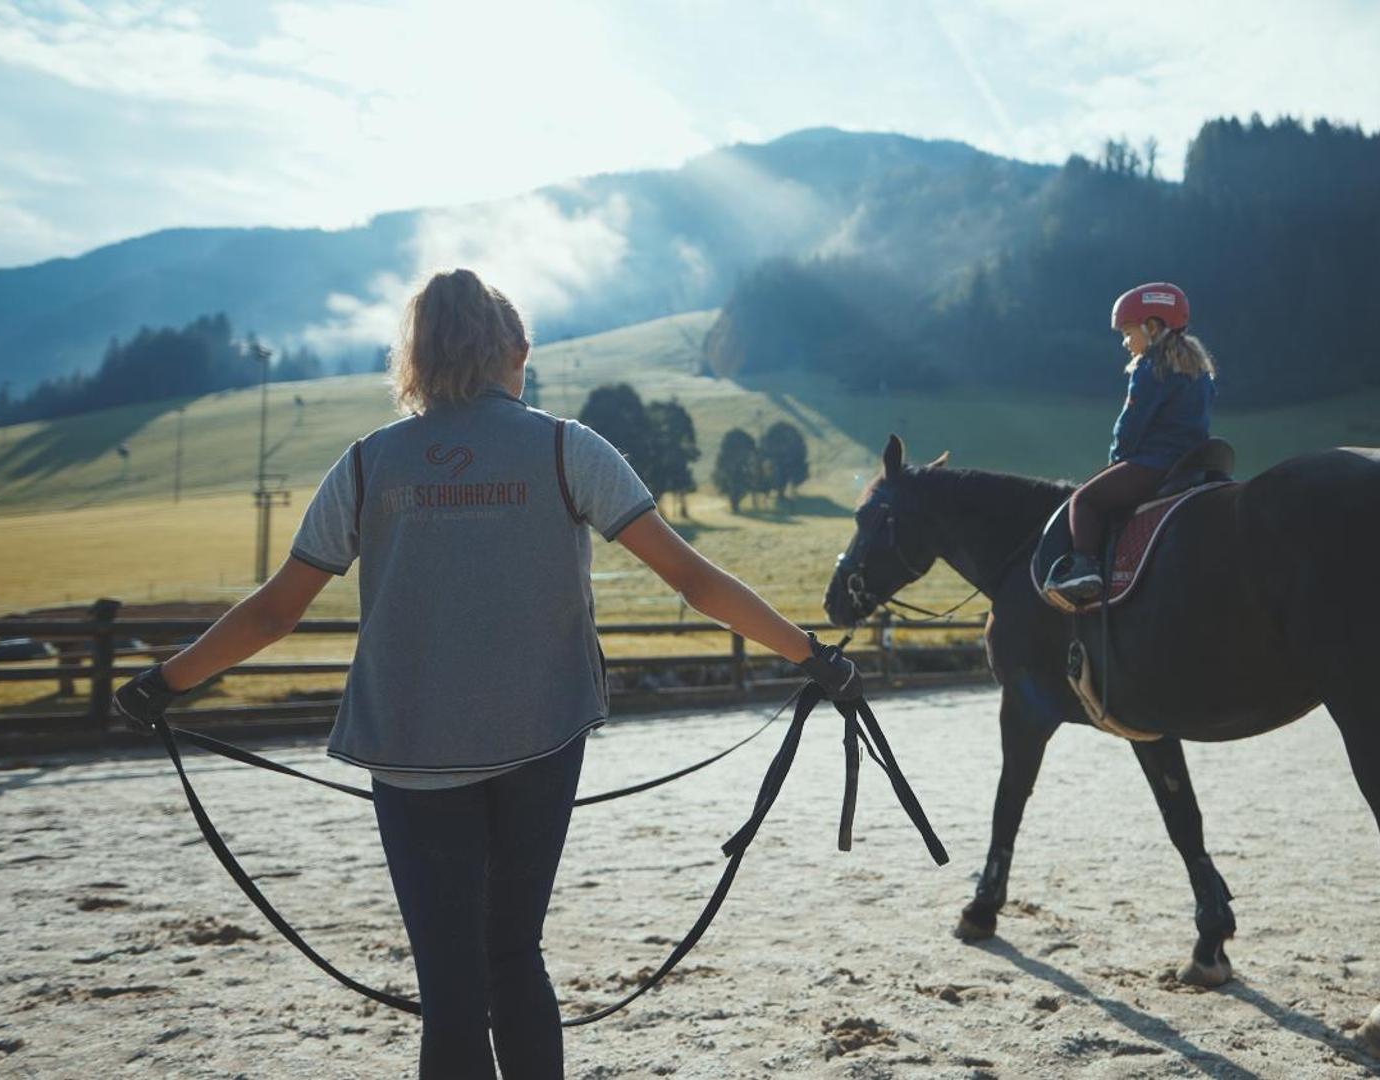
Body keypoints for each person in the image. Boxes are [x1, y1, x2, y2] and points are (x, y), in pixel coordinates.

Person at [113, 267, 861, 1079]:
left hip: (408, 751)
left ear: (417, 358)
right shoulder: (566, 448)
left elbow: (272, 613)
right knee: (513, 955)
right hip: (540, 739)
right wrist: (812, 656)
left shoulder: (366, 466)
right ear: (517, 351)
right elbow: (695, 581)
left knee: (451, 987)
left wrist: (164, 684)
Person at [1042, 282, 1216, 606]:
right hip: (1192, 462)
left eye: (1127, 331)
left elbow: (1131, 426)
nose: (1125, 342)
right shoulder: (1200, 370)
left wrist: (1116, 461)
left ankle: (1085, 572)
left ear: (1153, 327)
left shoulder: (1150, 368)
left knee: (1084, 500)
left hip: (1154, 464)